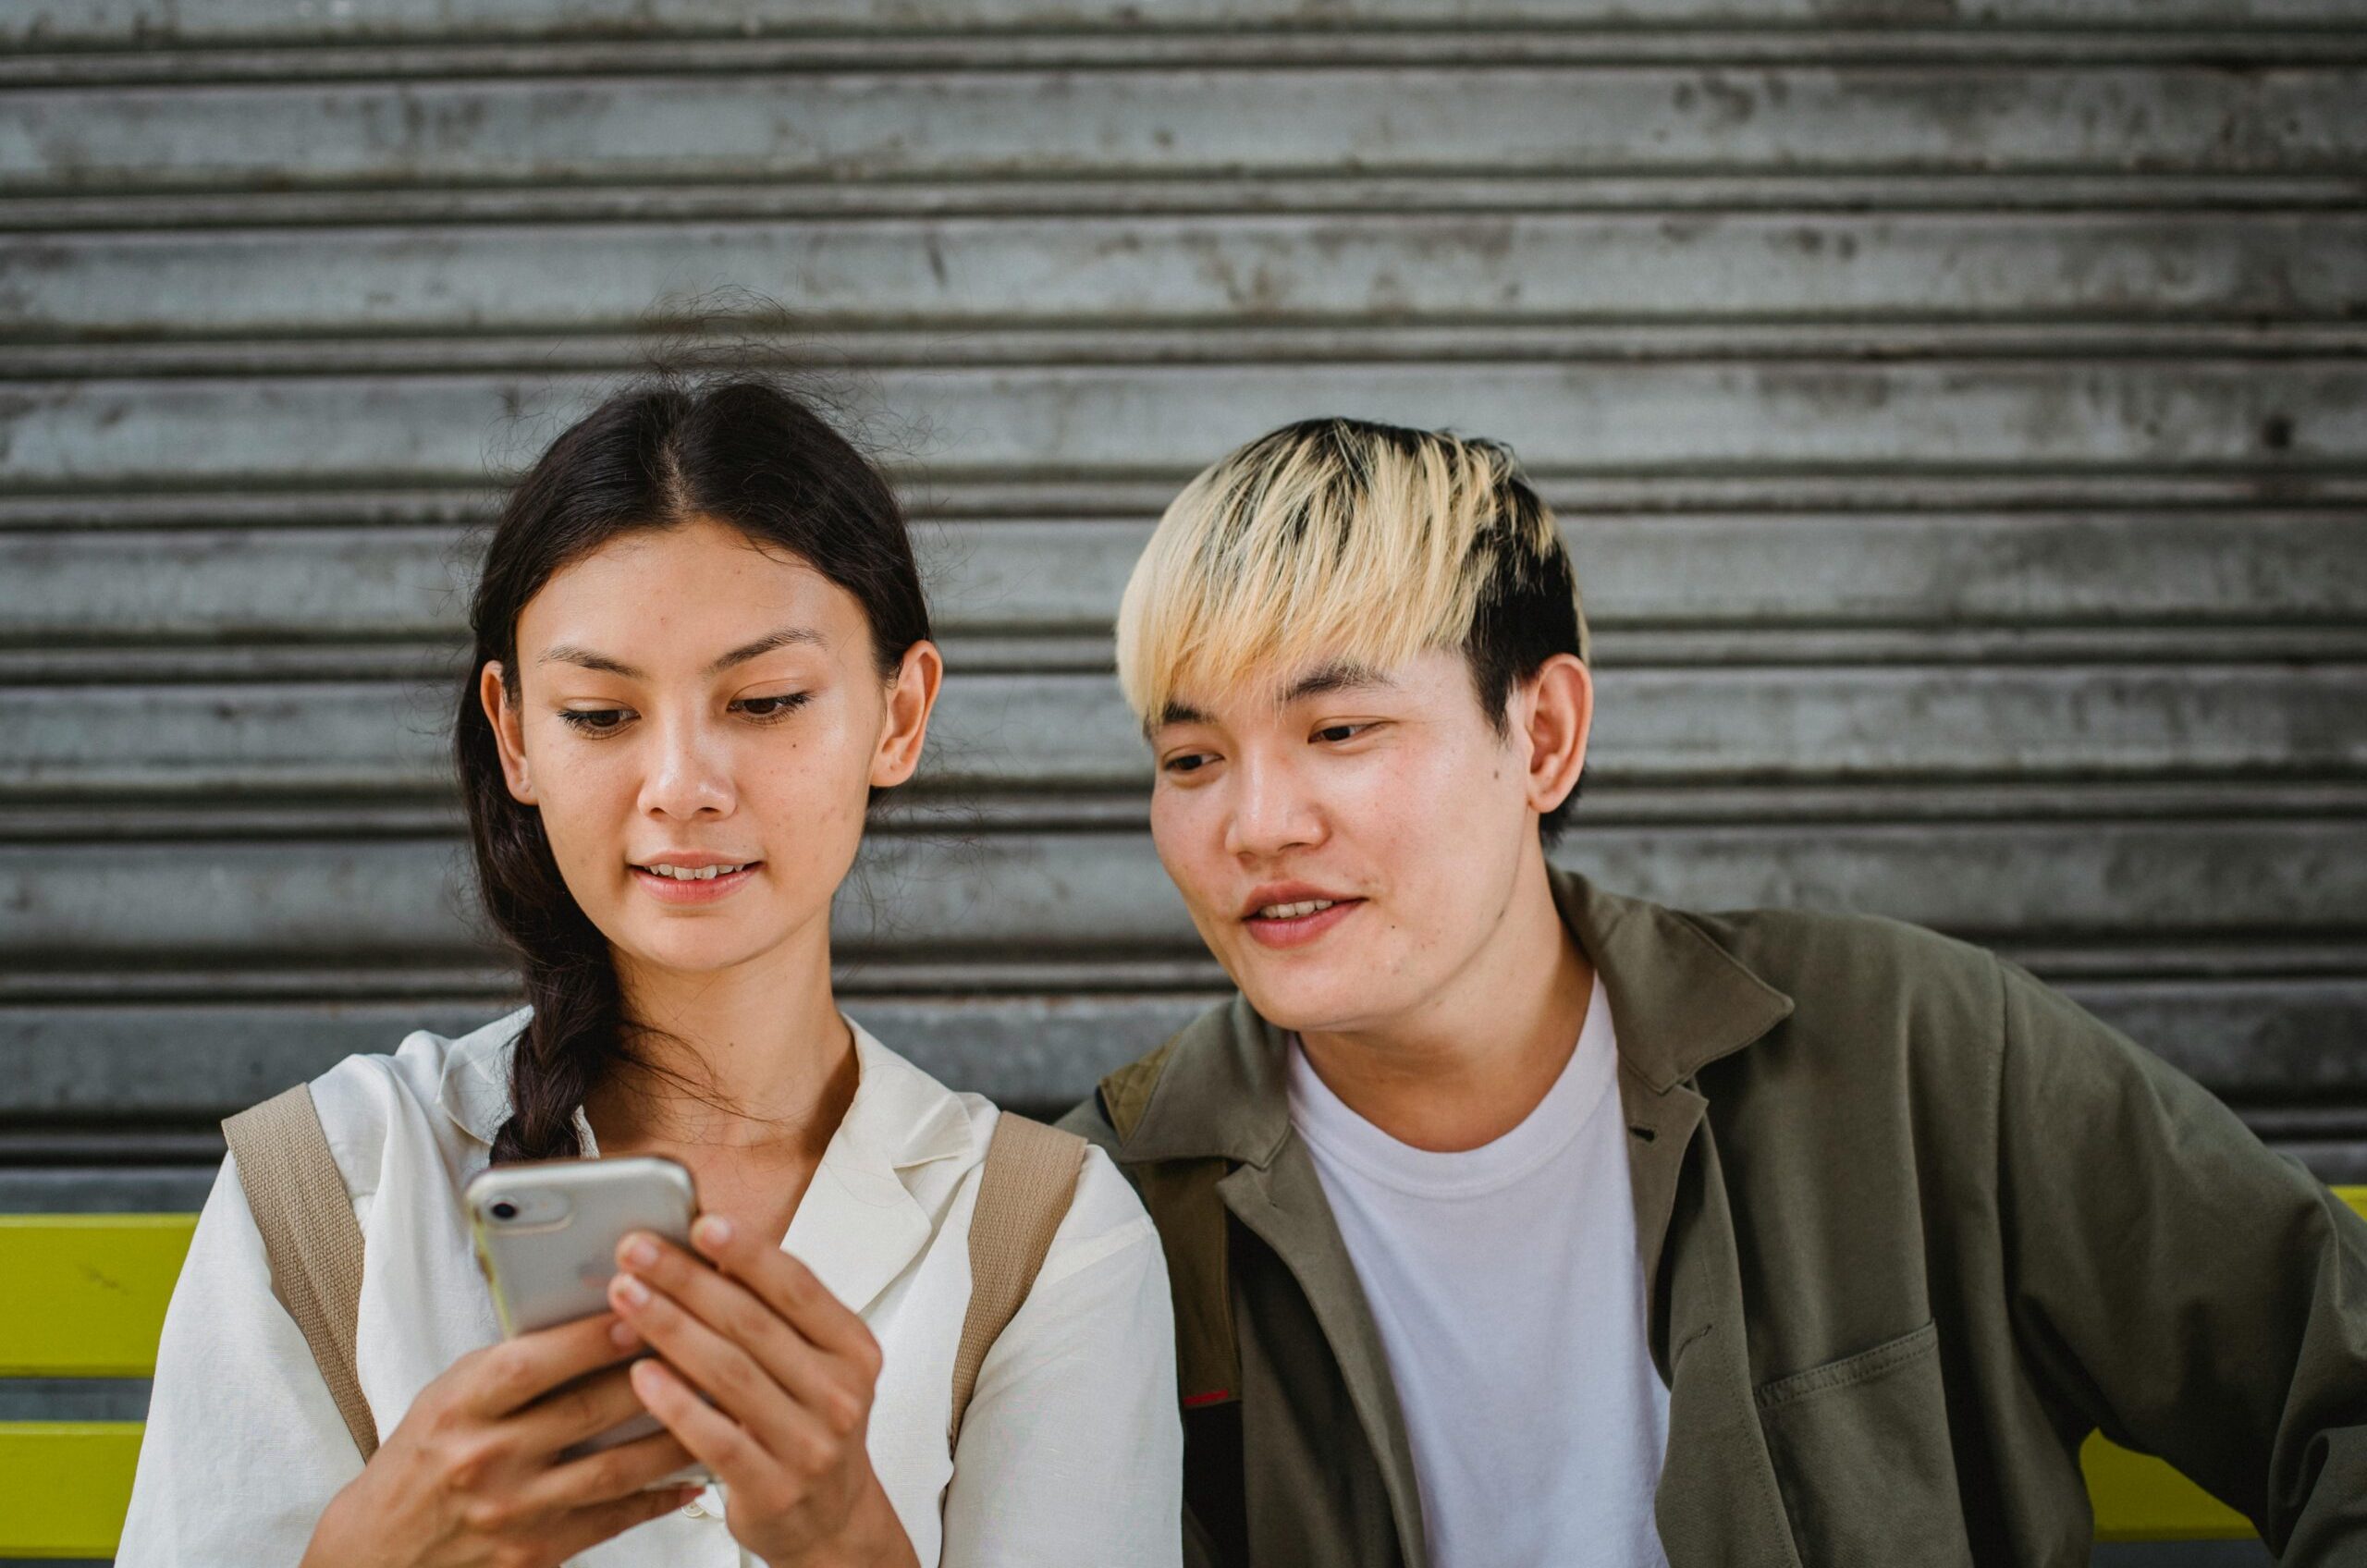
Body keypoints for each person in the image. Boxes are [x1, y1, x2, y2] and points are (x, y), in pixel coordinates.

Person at [1061, 417, 2367, 1566]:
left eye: (1338, 731)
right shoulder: (1100, 1214)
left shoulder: (1905, 1052)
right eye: (1190, 756)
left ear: (1545, 735)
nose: (1253, 822)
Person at [120, 375, 1182, 1568]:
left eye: (768, 700)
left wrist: (848, 1544)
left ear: (901, 713)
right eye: (600, 714)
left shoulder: (1044, 1239)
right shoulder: (329, 1183)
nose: (682, 784)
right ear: (514, 732)